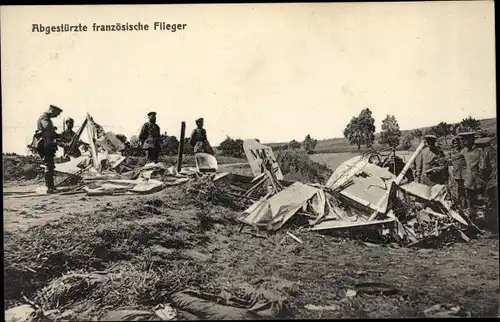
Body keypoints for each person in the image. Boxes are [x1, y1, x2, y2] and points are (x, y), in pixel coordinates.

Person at [35, 104, 63, 193]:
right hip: (44, 144)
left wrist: (58, 135)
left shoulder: (46, 117)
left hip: (47, 144)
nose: (57, 116)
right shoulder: (44, 117)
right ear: (52, 111)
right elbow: (47, 128)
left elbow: (49, 131)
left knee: (50, 165)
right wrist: (54, 131)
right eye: (56, 114)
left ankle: (50, 187)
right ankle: (50, 188)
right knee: (49, 165)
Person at [459, 131, 486, 216]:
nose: (462, 141)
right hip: (468, 181)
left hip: (479, 180)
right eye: (462, 139)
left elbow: (483, 166)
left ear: (471, 139)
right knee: (470, 201)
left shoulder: (479, 150)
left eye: (464, 139)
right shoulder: (463, 151)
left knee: (482, 201)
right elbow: (461, 165)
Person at [477, 135, 497, 224]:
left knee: (491, 201)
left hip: (492, 180)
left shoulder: (487, 152)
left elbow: (484, 167)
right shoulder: (492, 150)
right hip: (493, 178)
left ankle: (492, 222)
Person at [447, 136, 467, 208]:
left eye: (457, 143)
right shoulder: (451, 153)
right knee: (459, 189)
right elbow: (449, 163)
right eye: (454, 143)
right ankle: (461, 205)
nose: (456, 144)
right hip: (456, 173)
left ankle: (466, 204)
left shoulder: (464, 150)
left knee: (465, 189)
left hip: (464, 172)